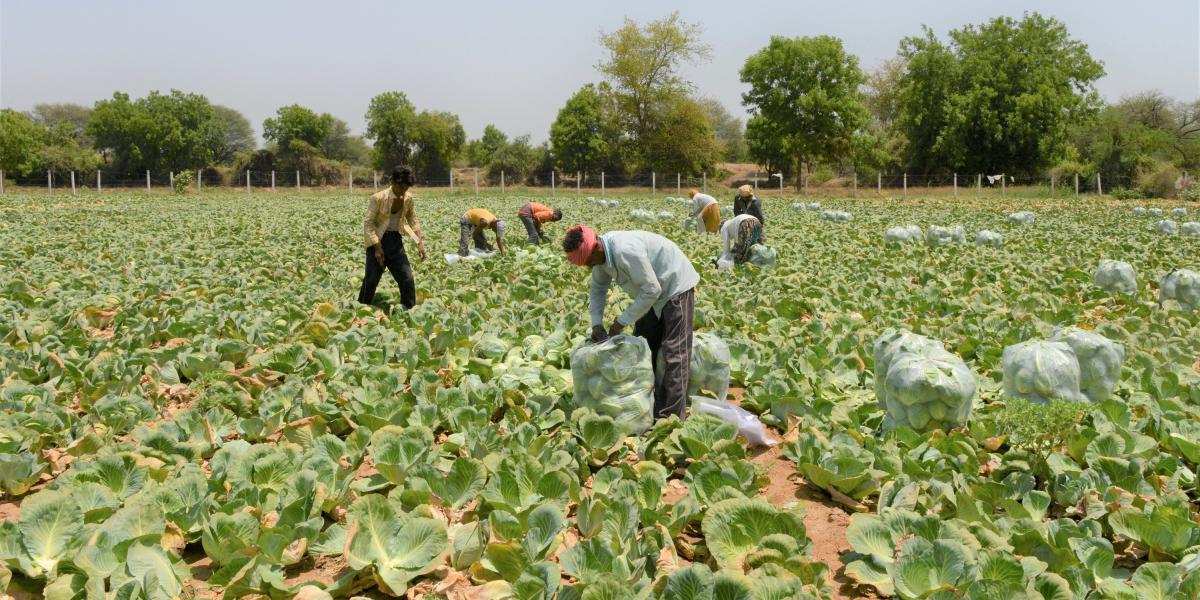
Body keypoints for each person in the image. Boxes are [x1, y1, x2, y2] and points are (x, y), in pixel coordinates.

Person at [563, 225, 699, 421]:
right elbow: (598, 289)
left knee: (674, 352)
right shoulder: (601, 257)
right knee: (644, 344)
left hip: (674, 285)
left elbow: (652, 289)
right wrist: (596, 324)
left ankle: (670, 417)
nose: (589, 267)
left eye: (588, 262)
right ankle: (647, 402)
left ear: (596, 249)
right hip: (649, 293)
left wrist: (621, 321)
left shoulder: (625, 250)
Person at [358, 165, 426, 308]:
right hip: (377, 241)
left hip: (395, 242)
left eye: (406, 188)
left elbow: (412, 219)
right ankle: (360, 309)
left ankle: (410, 311)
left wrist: (419, 242)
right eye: (400, 188)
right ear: (393, 182)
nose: (403, 192)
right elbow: (368, 223)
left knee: (407, 278)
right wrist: (377, 248)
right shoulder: (378, 198)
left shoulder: (408, 198)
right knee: (371, 280)